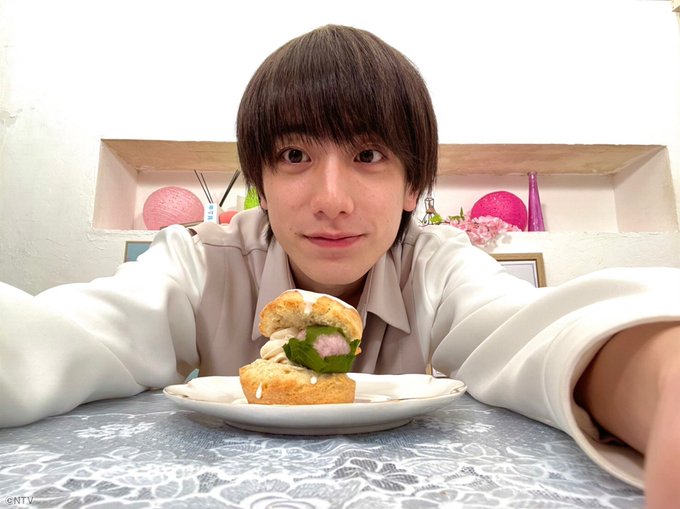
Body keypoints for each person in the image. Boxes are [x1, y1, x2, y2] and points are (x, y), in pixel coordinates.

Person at [1, 24, 679, 507]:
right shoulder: (199, 259)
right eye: (295, 155)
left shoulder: (436, 264)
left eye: (368, 155)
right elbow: (69, 333)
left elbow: (534, 330)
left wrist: (660, 375)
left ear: (413, 186)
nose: (331, 199)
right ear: (261, 181)